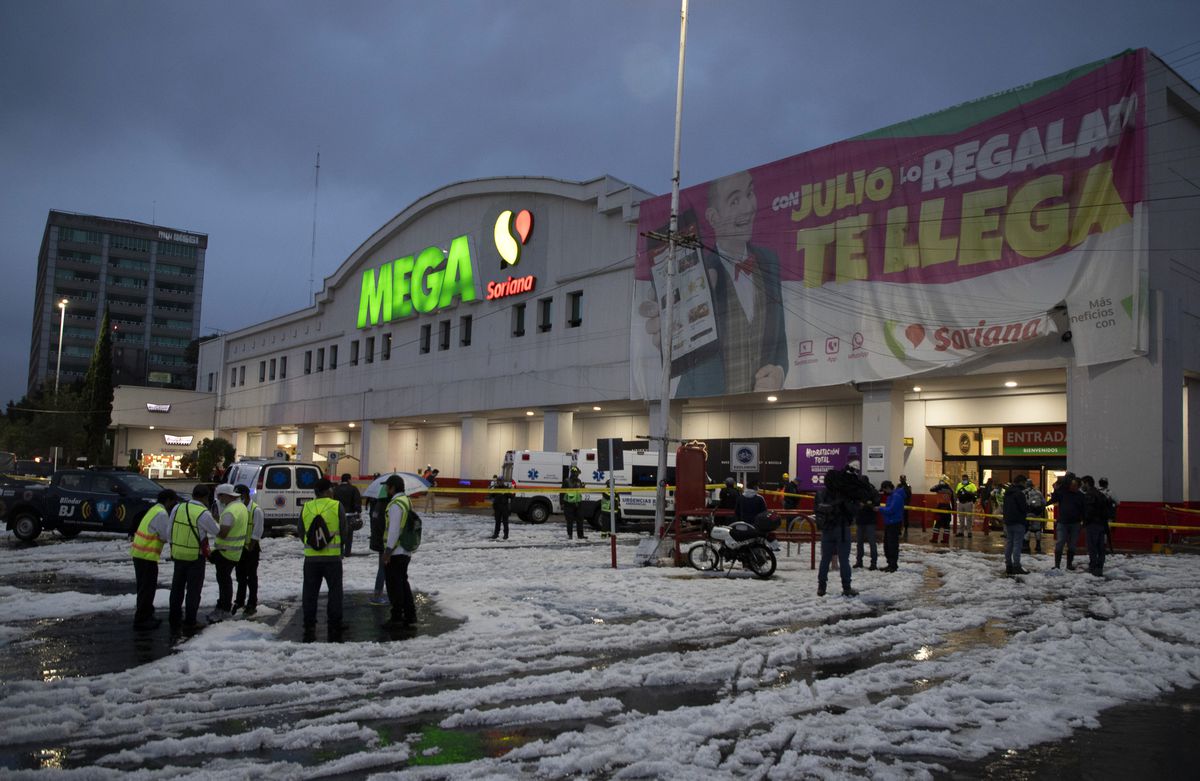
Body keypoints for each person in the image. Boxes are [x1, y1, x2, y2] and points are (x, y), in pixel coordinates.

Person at [639, 169, 787, 396]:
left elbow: (780, 342)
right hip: (702, 412)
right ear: (713, 217)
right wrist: (673, 335)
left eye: (750, 193)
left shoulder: (770, 262)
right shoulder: (695, 274)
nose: (748, 207)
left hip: (761, 410)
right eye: (735, 201)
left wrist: (779, 371)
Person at [168, 485, 220, 635]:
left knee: (176, 589)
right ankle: (190, 621)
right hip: (194, 557)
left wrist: (173, 548)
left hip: (178, 554)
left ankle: (174, 617)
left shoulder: (178, 508)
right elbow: (216, 531)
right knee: (193, 590)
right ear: (205, 497)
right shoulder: (203, 513)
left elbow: (169, 530)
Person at [300, 478, 345, 642]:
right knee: (335, 591)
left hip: (311, 559)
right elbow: (344, 529)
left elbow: (301, 531)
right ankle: (334, 622)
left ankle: (309, 623)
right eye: (331, 489)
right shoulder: (336, 505)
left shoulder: (306, 507)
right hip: (332, 558)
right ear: (327, 491)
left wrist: (312, 545)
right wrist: (341, 547)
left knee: (310, 592)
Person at [815, 464, 868, 597]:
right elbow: (852, 511)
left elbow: (816, 511)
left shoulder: (820, 494)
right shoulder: (844, 494)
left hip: (826, 529)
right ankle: (846, 587)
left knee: (824, 560)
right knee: (844, 560)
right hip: (842, 529)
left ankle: (821, 587)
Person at [130, 489, 179, 630]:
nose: (173, 506)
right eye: (173, 502)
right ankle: (142, 620)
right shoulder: (161, 514)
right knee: (147, 589)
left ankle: (146, 615)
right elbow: (165, 535)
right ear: (168, 500)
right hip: (146, 557)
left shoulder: (154, 509)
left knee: (144, 588)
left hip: (140, 554)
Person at [208, 484, 249, 623]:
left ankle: (223, 608)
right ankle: (224, 607)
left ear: (227, 495)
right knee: (226, 580)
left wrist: (211, 525)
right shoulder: (241, 507)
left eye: (220, 496)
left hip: (225, 552)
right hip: (235, 551)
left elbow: (223, 533)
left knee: (224, 581)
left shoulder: (229, 511)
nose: (219, 499)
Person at [382, 474, 418, 628]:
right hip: (405, 549)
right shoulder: (406, 501)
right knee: (403, 583)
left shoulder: (396, 504)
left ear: (392, 487)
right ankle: (410, 615)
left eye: (387, 486)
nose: (385, 489)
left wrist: (388, 552)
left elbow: (394, 530)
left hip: (396, 551)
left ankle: (396, 617)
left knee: (394, 586)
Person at [232, 484, 263, 616]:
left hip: (251, 548)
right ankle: (240, 601)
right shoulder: (237, 509)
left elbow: (257, 531)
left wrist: (251, 546)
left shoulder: (256, 510)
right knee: (240, 576)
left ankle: (252, 603)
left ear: (246, 495)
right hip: (240, 548)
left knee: (251, 577)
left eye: (239, 497)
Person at [1049, 473, 1084, 570]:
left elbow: (1084, 509)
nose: (1073, 487)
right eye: (1072, 485)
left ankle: (1068, 564)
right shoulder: (1063, 492)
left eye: (1075, 486)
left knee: (1072, 545)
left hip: (1073, 523)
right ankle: (1058, 565)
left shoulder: (1080, 496)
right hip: (1064, 522)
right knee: (1060, 542)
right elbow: (1054, 499)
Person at [1080, 475, 1109, 577]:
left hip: (1092, 525)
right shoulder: (1100, 494)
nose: (1081, 486)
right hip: (1101, 524)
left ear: (1087, 483)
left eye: (1083, 483)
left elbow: (1089, 511)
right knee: (1101, 548)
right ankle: (1099, 567)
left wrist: (1085, 522)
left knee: (1092, 547)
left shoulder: (1089, 495)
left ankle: (1094, 567)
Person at [1002, 475, 1031, 575]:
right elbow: (1024, 508)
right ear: (1021, 482)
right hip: (1018, 521)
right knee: (1017, 544)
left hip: (1008, 521)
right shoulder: (1019, 494)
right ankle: (1017, 566)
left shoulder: (1007, 493)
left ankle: (1008, 565)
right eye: (1024, 482)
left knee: (1009, 543)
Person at [853, 473, 880, 570]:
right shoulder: (858, 492)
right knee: (860, 543)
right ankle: (859, 561)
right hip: (861, 520)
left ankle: (873, 563)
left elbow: (876, 504)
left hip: (869, 520)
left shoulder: (873, 492)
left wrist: (866, 505)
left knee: (871, 543)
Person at [368, 481, 389, 605]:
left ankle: (378, 593)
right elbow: (385, 526)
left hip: (378, 541)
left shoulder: (377, 504)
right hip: (385, 543)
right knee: (384, 569)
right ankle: (378, 595)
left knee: (382, 568)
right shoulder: (387, 506)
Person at [333, 473, 362, 556]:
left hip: (338, 514)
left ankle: (340, 550)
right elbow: (357, 501)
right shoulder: (353, 489)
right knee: (349, 534)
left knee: (339, 533)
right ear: (349, 480)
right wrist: (358, 511)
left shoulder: (336, 489)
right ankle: (347, 552)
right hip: (350, 515)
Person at [879, 480, 904, 572]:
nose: (883, 492)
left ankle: (893, 565)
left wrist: (880, 509)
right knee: (887, 545)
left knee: (892, 545)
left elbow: (891, 510)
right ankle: (890, 563)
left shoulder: (896, 497)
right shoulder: (892, 496)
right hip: (890, 523)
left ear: (888, 488)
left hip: (894, 523)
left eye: (884, 490)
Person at [560, 465, 586, 540]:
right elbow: (561, 493)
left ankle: (580, 535)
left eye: (578, 474)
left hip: (578, 503)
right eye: (577, 473)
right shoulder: (566, 481)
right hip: (568, 504)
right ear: (573, 473)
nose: (577, 475)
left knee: (580, 520)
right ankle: (570, 535)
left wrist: (582, 487)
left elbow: (579, 490)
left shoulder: (579, 481)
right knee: (570, 521)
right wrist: (561, 503)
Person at [1024, 481, 1047, 553]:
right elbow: (1044, 502)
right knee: (1037, 529)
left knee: (1028, 529)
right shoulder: (1038, 492)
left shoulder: (1025, 492)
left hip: (1028, 513)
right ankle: (1038, 545)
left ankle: (1026, 546)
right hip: (1037, 514)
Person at [929, 475, 954, 544]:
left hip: (940, 508)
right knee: (947, 525)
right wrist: (953, 510)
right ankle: (946, 540)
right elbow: (953, 500)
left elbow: (931, 489)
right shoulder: (950, 489)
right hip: (948, 508)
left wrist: (939, 485)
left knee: (937, 524)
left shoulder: (939, 488)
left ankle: (935, 539)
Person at [1098, 477, 1119, 554]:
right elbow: (1118, 502)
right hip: (1107, 515)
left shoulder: (1095, 491)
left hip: (1096, 516)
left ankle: (1097, 547)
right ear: (1106, 484)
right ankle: (1103, 548)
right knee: (1105, 533)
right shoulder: (1110, 492)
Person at [954, 473, 978, 538]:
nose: (964, 480)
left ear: (968, 479)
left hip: (968, 503)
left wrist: (968, 492)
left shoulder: (972, 485)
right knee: (961, 518)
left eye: (965, 479)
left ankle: (969, 532)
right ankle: (961, 532)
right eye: (963, 479)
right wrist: (955, 502)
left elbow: (975, 493)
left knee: (969, 518)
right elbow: (956, 493)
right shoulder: (959, 484)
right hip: (960, 503)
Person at [489, 474, 511, 540]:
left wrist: (509, 492)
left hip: (504, 508)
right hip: (497, 507)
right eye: (498, 481)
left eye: (500, 481)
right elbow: (490, 496)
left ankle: (506, 535)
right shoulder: (495, 488)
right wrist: (491, 490)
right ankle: (496, 534)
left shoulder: (506, 488)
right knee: (497, 522)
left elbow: (512, 496)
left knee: (505, 522)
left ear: (503, 481)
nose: (499, 482)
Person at [897, 474, 912, 539]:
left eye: (903, 479)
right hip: (899, 504)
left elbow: (909, 495)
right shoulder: (898, 486)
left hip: (905, 504)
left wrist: (907, 503)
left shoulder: (908, 486)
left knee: (905, 517)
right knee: (899, 517)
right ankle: (899, 530)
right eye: (901, 479)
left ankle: (905, 528)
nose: (902, 480)